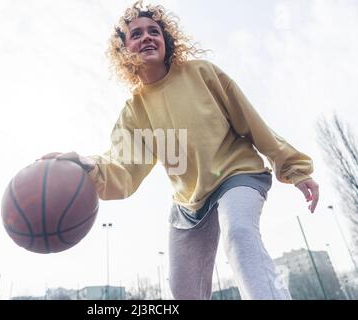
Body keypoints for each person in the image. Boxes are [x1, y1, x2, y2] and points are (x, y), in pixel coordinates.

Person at [41, 1, 319, 300]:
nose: (147, 37)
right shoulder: (135, 112)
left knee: (239, 235)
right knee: (183, 291)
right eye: (136, 34)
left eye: (154, 31)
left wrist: (295, 168)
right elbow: (122, 169)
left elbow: (252, 123)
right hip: (188, 203)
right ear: (124, 50)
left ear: (166, 40)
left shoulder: (202, 73)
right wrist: (85, 165)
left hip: (237, 175)